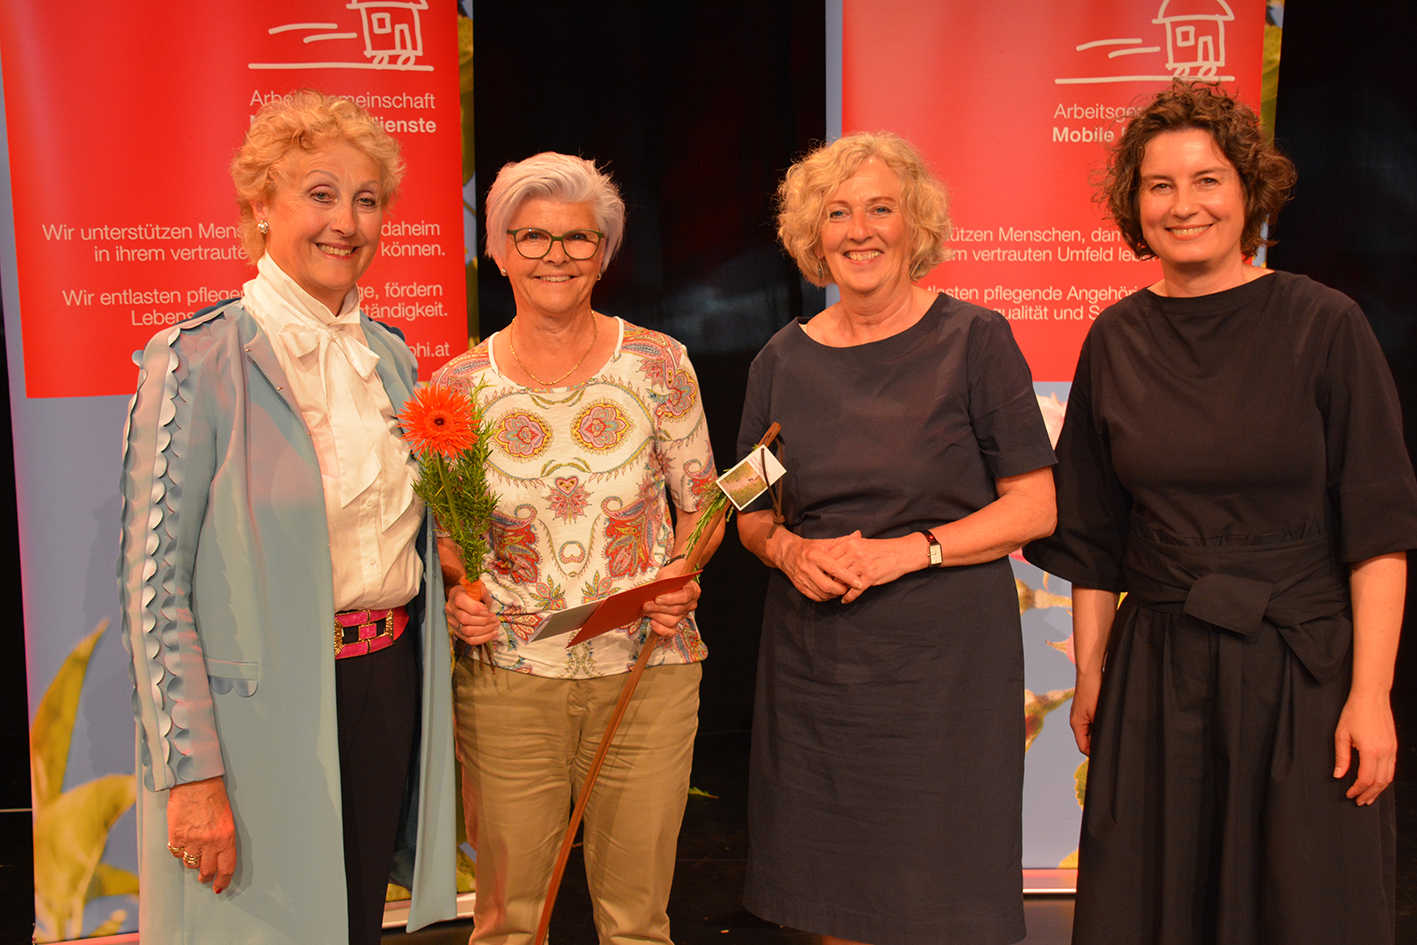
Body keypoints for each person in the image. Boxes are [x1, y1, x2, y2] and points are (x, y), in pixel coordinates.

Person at [1023, 82, 1417, 945]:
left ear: (1248, 190)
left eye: (1206, 180)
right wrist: (1091, 674)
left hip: (1299, 673)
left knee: (1303, 910)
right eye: (1158, 185)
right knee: (1156, 909)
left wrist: (1371, 694)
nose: (1183, 204)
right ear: (1134, 205)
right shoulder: (1115, 338)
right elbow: (1092, 535)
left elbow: (1379, 534)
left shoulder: (1325, 325)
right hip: (1158, 672)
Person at [117, 90, 457, 945]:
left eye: (366, 199)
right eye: (320, 193)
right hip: (255, 718)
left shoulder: (391, 356)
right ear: (261, 205)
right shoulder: (194, 358)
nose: (346, 221)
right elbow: (153, 591)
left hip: (384, 682)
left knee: (353, 925)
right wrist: (191, 772)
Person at [735, 131, 1057, 945]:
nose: (859, 230)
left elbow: (1034, 507)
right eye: (837, 213)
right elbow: (749, 512)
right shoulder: (779, 361)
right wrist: (789, 550)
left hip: (943, 672)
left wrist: (907, 550)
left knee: (937, 898)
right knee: (832, 896)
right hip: (816, 674)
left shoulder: (975, 339)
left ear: (915, 226)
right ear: (812, 236)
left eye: (880, 209)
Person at [434, 151, 723, 945]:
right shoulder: (456, 386)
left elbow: (704, 504)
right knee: (507, 923)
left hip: (646, 670)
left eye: (577, 238)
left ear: (603, 253)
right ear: (499, 251)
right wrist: (461, 590)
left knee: (637, 924)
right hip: (507, 680)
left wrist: (682, 567)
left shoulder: (658, 363)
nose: (554, 256)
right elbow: (446, 535)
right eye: (532, 237)